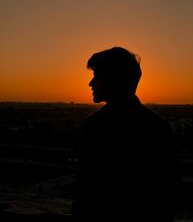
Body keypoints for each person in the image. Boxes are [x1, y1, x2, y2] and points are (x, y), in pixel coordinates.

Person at [72, 47, 180, 221]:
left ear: (117, 80)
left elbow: (86, 187)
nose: (91, 83)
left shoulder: (95, 125)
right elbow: (168, 191)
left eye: (97, 76)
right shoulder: (157, 126)